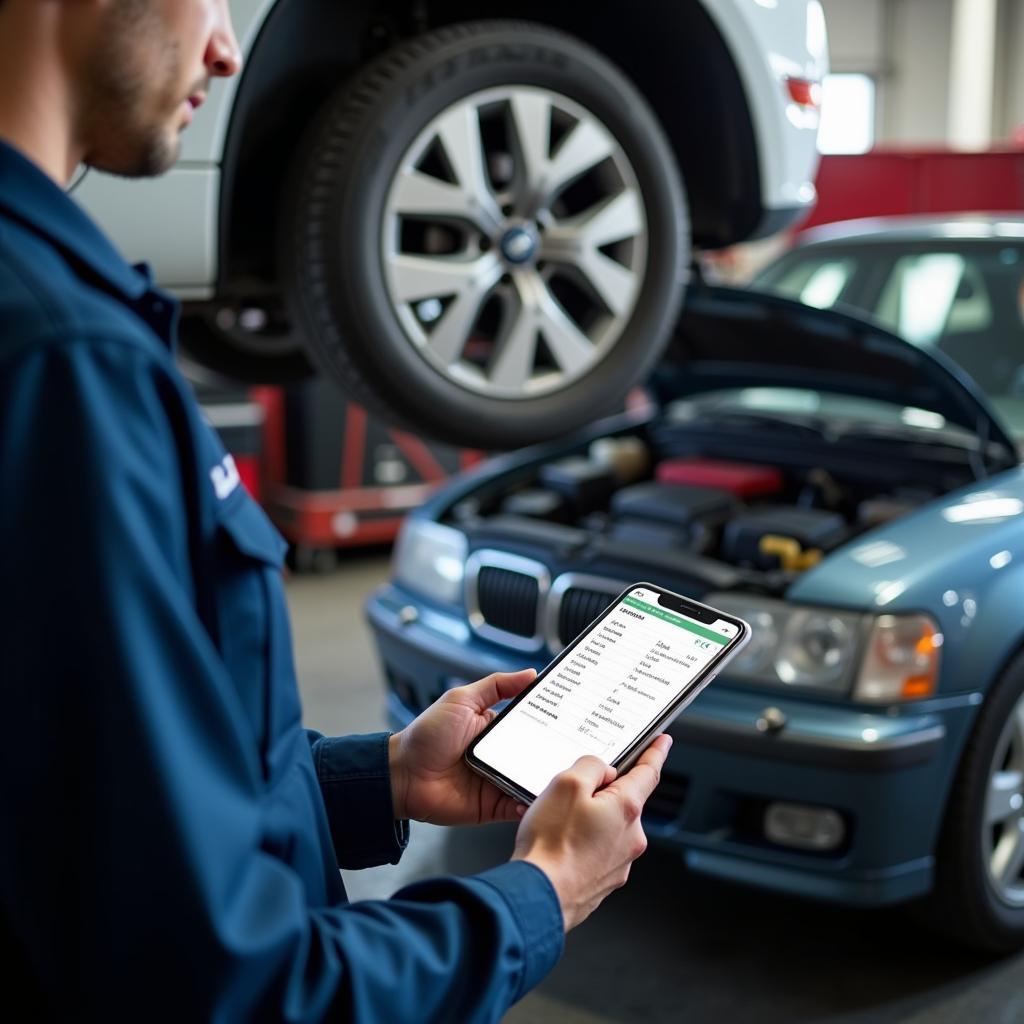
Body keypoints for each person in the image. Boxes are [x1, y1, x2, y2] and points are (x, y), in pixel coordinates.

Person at [0, 2, 671, 1020]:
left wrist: (383, 777)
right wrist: (541, 894)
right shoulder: (61, 357)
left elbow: (80, 801)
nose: (226, 48)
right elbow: (222, 985)